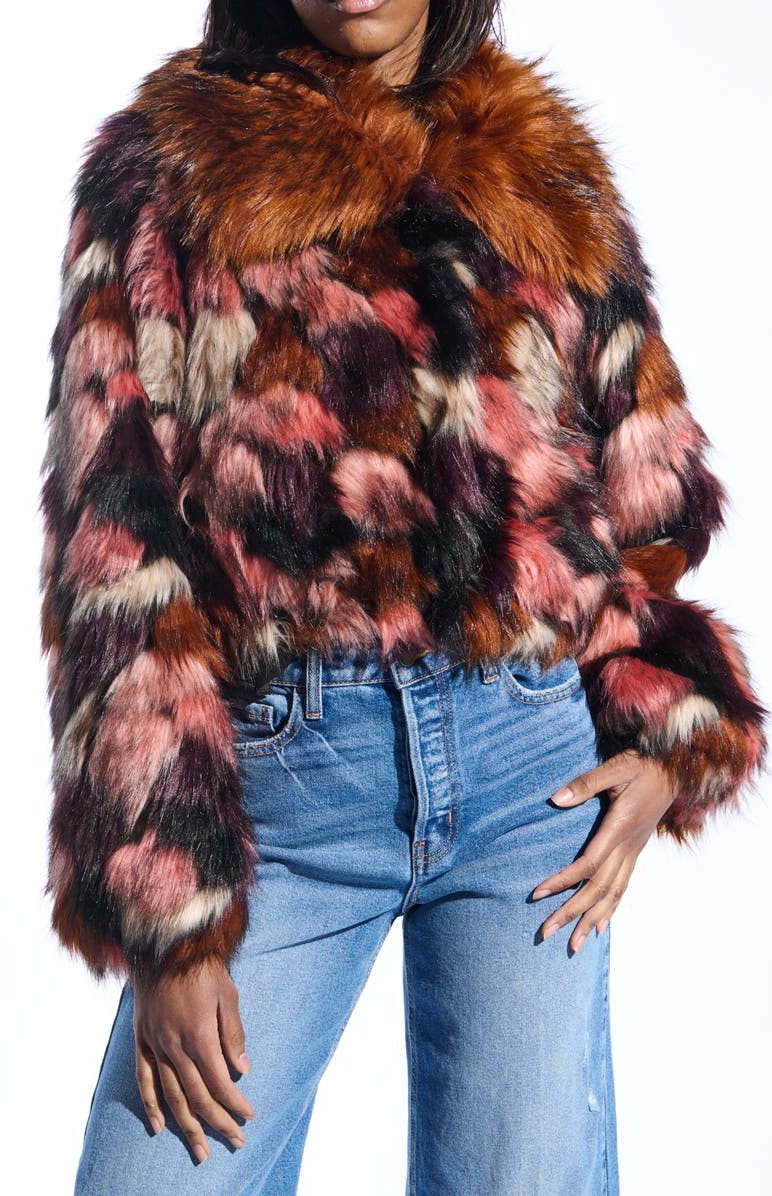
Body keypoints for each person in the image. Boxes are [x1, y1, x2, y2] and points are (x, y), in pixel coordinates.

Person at [39, 1, 768, 1192]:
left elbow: (650, 493)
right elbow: (113, 542)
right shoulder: (169, 171)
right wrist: (169, 903)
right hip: (282, 791)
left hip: (530, 776)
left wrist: (666, 734)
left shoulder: (538, 163)